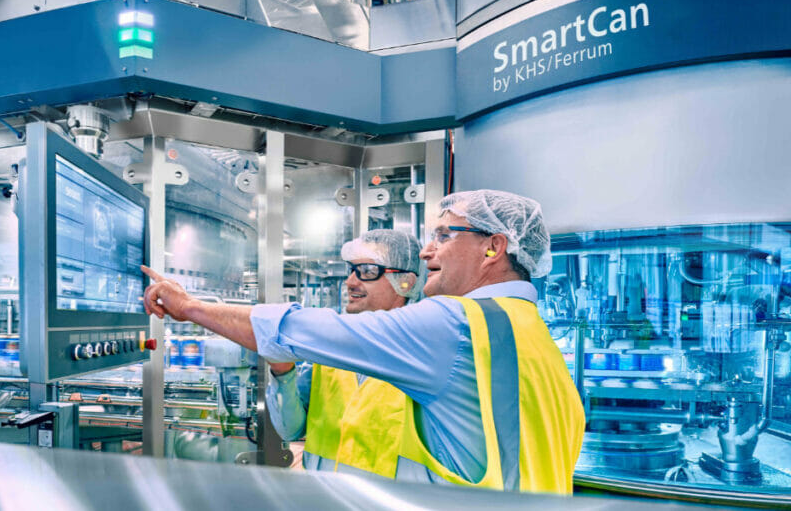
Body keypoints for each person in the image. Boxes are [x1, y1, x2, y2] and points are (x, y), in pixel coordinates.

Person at [143, 189, 585, 494]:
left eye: (444, 236)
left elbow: (297, 329)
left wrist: (191, 308)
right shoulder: (530, 334)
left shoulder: (456, 325)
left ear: (493, 248)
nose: (429, 250)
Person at [266, 229, 423, 472]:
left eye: (367, 272)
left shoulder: (423, 352)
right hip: (325, 496)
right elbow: (291, 430)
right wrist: (282, 372)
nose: (350, 282)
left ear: (405, 282)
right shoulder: (330, 345)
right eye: (351, 270)